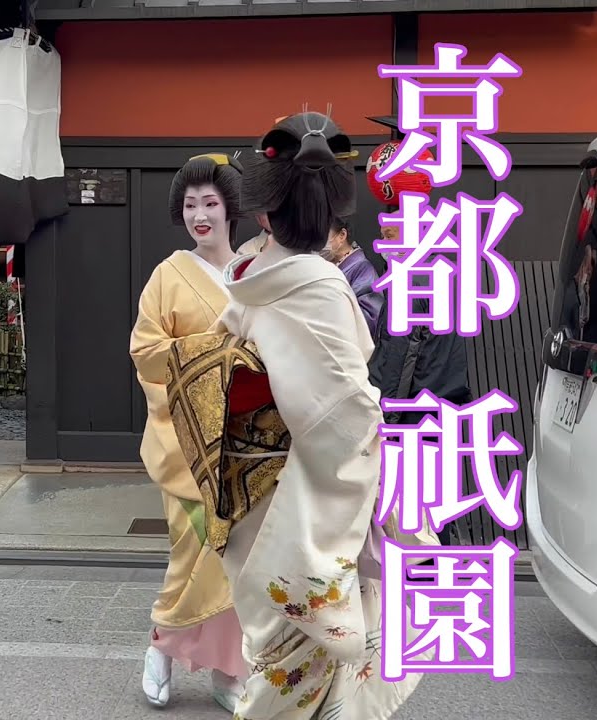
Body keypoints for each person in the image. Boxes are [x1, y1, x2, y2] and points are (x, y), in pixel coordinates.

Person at [166, 112, 428, 718]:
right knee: (303, 677)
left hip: (257, 498)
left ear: (261, 215)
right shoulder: (320, 287)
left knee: (282, 666)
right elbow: (348, 419)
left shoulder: (249, 284)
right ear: (336, 217)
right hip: (301, 504)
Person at [128, 153, 247, 712]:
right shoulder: (167, 275)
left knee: (239, 561)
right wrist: (214, 351)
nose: (200, 214)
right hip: (188, 441)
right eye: (191, 205)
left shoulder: (257, 270)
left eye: (210, 203)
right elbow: (145, 352)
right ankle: (162, 643)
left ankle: (228, 671)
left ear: (230, 209)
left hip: (249, 443)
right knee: (193, 550)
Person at [368, 220, 471, 546]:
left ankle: (421, 570)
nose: (384, 243)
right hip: (443, 400)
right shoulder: (439, 274)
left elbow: (400, 358)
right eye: (382, 235)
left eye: (391, 235)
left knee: (412, 500)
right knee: (435, 492)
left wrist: (387, 415)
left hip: (413, 406)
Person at [320, 215, 384, 334]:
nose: (319, 244)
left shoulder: (362, 269)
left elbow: (370, 318)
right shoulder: (324, 265)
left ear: (342, 235)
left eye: (323, 236)